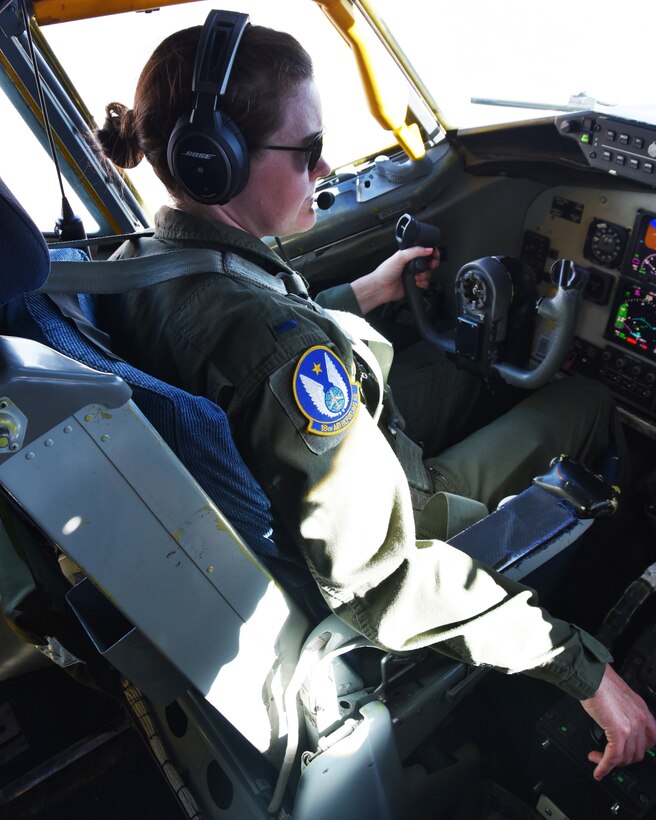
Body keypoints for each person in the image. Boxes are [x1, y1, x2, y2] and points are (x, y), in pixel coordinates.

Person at [93, 13, 656, 781]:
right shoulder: (277, 349)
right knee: (585, 398)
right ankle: (613, 553)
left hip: (337, 451)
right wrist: (584, 669)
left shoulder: (144, 261)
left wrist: (361, 295)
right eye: (308, 149)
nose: (326, 169)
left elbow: (254, 334)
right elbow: (383, 584)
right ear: (213, 165)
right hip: (399, 514)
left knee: (477, 363)